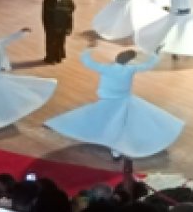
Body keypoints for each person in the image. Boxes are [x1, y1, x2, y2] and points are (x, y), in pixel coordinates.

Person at [45, 40, 184, 158]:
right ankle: (116, 149)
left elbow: (87, 61)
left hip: (108, 101)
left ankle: (111, 144)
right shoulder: (130, 69)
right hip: (123, 101)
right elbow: (147, 65)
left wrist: (89, 48)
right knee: (118, 124)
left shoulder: (107, 69)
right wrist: (155, 54)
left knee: (95, 118)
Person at [42, 0, 76, 65]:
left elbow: (72, 9)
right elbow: (45, 14)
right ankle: (51, 58)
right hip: (52, 25)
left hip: (63, 25)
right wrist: (47, 26)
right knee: (51, 42)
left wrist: (68, 26)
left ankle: (59, 56)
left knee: (61, 41)